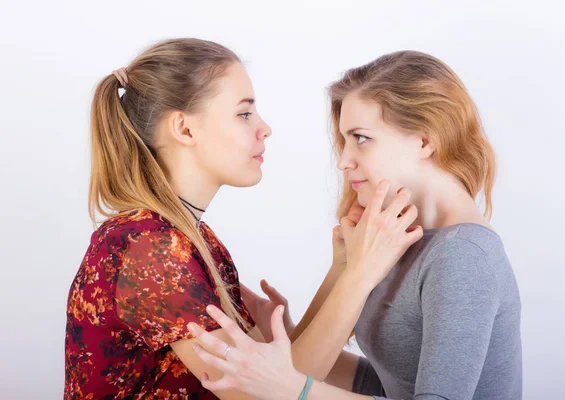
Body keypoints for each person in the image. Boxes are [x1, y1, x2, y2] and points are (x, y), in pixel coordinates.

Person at [63, 38, 421, 399]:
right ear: (185, 129)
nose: (264, 128)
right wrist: (360, 276)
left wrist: (342, 269)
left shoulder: (189, 240)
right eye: (244, 113)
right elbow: (264, 396)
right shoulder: (150, 249)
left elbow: (282, 376)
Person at [189, 50, 522, 400]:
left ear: (425, 140)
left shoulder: (462, 253)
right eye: (344, 141)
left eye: (360, 138)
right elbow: (391, 384)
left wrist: (295, 389)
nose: (345, 161)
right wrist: (287, 345)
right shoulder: (402, 240)